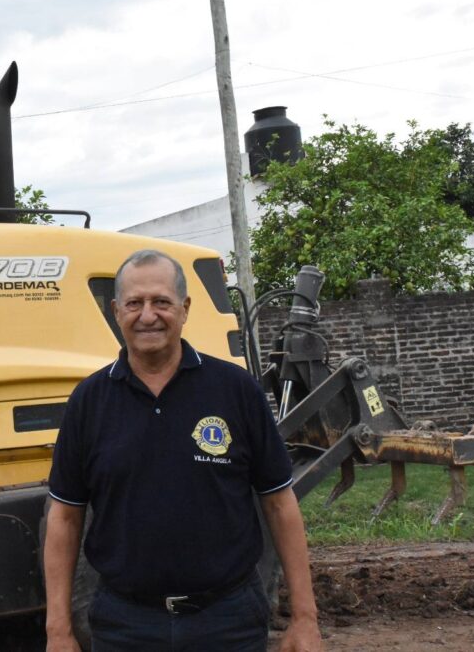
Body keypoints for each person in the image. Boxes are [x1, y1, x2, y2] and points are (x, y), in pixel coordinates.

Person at [43, 249, 322, 652]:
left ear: (185, 308)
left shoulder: (235, 389)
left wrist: (304, 618)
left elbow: (280, 504)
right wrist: (58, 632)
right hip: (125, 626)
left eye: (161, 302)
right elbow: (65, 518)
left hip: (227, 622)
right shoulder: (89, 401)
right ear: (116, 311)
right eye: (135, 303)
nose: (148, 315)